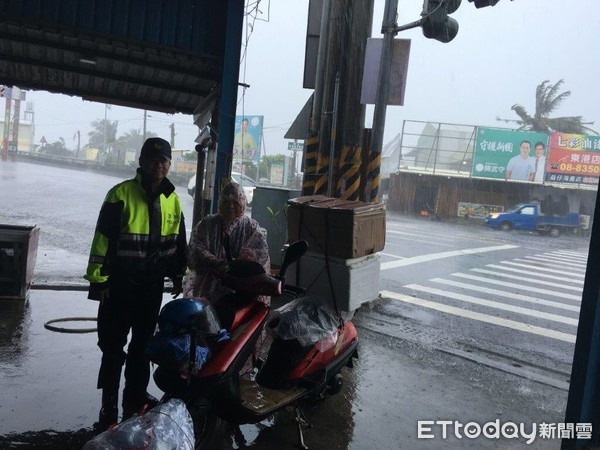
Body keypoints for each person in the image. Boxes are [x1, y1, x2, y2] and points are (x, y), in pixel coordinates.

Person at [84, 137, 187, 429]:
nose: (160, 164)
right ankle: (108, 406)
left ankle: (135, 399)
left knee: (143, 347)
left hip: (150, 288)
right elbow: (102, 240)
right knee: (113, 347)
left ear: (169, 164)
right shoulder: (119, 195)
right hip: (118, 287)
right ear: (141, 161)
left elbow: (178, 241)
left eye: (165, 160)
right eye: (154, 159)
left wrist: (179, 272)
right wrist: (98, 281)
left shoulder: (172, 199)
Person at [185, 181, 270, 305]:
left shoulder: (251, 227)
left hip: (240, 292)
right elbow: (195, 247)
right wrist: (215, 263)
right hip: (207, 290)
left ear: (242, 203)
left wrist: (235, 267)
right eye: (226, 202)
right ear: (220, 203)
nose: (230, 206)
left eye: (235, 202)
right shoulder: (207, 224)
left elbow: (260, 254)